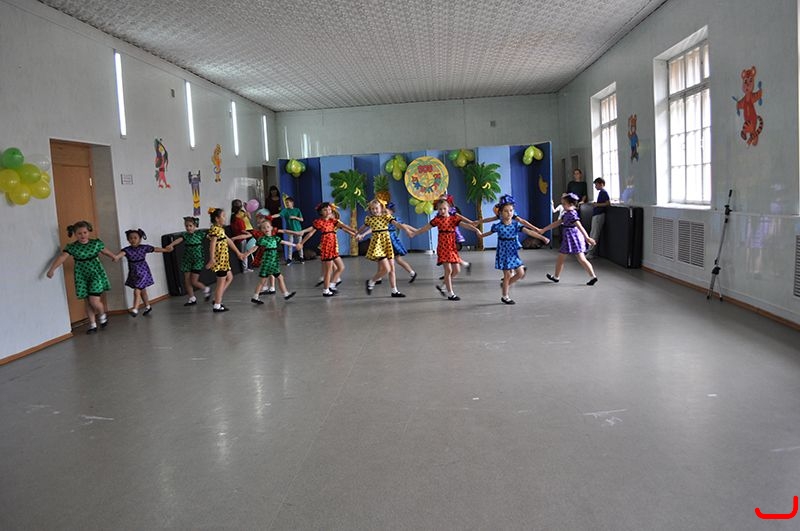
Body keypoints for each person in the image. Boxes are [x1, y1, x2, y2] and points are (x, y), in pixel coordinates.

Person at [46, 220, 116, 334]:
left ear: (88, 232)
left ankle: (102, 314)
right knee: (87, 301)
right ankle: (92, 325)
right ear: (75, 234)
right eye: (79, 233)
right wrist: (52, 269)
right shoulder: (73, 247)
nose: (82, 235)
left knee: (94, 301)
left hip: (95, 274)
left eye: (85, 232)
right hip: (81, 276)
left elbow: (105, 251)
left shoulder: (95, 243)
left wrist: (114, 256)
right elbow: (62, 257)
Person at [407, 198, 482, 301]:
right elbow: (425, 228)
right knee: (448, 270)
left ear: (449, 208)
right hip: (443, 247)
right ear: (437, 209)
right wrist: (414, 233)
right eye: (440, 209)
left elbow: (465, 225)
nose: (442, 211)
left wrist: (476, 230)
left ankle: (443, 287)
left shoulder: (453, 219)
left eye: (444, 209)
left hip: (452, 247)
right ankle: (451, 293)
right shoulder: (437, 220)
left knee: (456, 270)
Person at [477, 196, 544, 304]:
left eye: (511, 210)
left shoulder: (516, 225)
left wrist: (541, 237)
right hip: (503, 253)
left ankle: (505, 285)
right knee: (507, 275)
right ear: (500, 213)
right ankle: (505, 296)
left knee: (521, 273)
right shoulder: (498, 226)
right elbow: (488, 233)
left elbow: (528, 232)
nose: (509, 213)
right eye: (506, 211)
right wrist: (481, 235)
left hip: (513, 252)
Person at [537, 193, 598, 285]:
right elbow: (557, 223)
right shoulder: (567, 214)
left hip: (571, 238)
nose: (562, 206)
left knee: (564, 258)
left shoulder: (572, 214)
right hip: (571, 238)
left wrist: (587, 237)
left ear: (571, 204)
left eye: (564, 204)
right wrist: (544, 229)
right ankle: (593, 276)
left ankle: (556, 277)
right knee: (579, 259)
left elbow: (580, 226)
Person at [356, 199, 413, 298]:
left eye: (376, 208)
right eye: (372, 209)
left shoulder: (386, 217)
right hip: (378, 245)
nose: (375, 210)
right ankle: (371, 281)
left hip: (387, 244)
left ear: (381, 208)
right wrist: (358, 234)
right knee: (386, 269)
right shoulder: (369, 219)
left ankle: (394, 291)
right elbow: (364, 228)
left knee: (392, 269)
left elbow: (397, 224)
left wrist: (407, 230)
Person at [300, 202, 357, 297]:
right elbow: (310, 233)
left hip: (333, 247)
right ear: (321, 212)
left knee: (341, 267)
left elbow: (344, 226)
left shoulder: (333, 221)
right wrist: (301, 243)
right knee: (328, 271)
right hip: (326, 248)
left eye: (329, 209)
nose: (328, 211)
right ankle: (326, 290)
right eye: (325, 210)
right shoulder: (319, 222)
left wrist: (354, 231)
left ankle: (332, 285)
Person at [115, 228, 172, 316]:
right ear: (128, 240)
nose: (133, 240)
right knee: (143, 290)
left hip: (143, 272)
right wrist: (116, 257)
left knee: (137, 290)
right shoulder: (127, 250)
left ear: (140, 239)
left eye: (135, 238)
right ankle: (148, 306)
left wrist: (166, 250)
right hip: (134, 273)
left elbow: (155, 249)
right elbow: (121, 254)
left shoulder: (144, 248)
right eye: (130, 238)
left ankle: (135, 309)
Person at [246, 218, 299, 303]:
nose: (266, 229)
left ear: (271, 228)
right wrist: (246, 254)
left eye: (267, 227)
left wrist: (295, 245)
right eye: (263, 228)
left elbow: (284, 242)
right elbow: (254, 248)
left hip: (273, 263)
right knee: (265, 280)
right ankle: (284, 294)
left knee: (277, 278)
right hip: (267, 263)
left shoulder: (275, 238)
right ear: (261, 230)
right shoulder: (262, 239)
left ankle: (284, 294)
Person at [206, 207, 248, 312]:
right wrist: (212, 258)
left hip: (224, 260)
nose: (225, 218)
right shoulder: (215, 229)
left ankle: (217, 298)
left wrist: (238, 253)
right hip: (220, 261)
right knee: (221, 283)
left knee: (229, 278)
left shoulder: (220, 229)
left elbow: (228, 240)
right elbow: (212, 244)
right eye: (223, 216)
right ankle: (217, 305)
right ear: (217, 219)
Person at [166, 217, 212, 306]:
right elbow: (178, 240)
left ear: (195, 226)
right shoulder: (185, 235)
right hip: (187, 259)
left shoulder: (200, 234)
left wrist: (216, 241)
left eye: (190, 226)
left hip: (198, 260)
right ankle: (192, 298)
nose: (188, 228)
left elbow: (210, 238)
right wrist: (171, 245)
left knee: (194, 281)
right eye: (186, 226)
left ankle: (206, 289)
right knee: (186, 279)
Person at [385, 202, 416, 282]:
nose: (383, 213)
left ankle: (412, 272)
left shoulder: (394, 220)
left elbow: (404, 226)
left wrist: (415, 230)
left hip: (392, 241)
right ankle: (379, 277)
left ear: (391, 212)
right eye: (382, 212)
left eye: (385, 212)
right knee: (382, 260)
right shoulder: (381, 219)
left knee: (398, 259)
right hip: (384, 242)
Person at [274, 196, 304, 264]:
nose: (287, 204)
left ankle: (301, 257)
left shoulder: (297, 210)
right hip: (289, 230)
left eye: (288, 202)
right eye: (286, 203)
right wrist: (270, 217)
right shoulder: (285, 210)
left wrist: (295, 217)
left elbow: (302, 219)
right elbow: (278, 215)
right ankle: (289, 258)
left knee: (299, 244)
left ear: (292, 203)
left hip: (298, 230)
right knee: (290, 244)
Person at [586, 177, 610, 259]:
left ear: (601, 184)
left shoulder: (604, 192)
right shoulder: (601, 193)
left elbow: (607, 203)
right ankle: (589, 250)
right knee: (592, 233)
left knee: (594, 234)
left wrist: (597, 205)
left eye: (596, 185)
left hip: (599, 215)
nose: (595, 187)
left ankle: (591, 252)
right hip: (596, 215)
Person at [230, 199, 253, 272]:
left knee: (244, 251)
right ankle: (245, 269)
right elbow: (242, 230)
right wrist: (248, 233)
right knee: (244, 252)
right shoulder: (239, 220)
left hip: (238, 236)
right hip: (241, 238)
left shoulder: (233, 217)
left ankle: (245, 267)